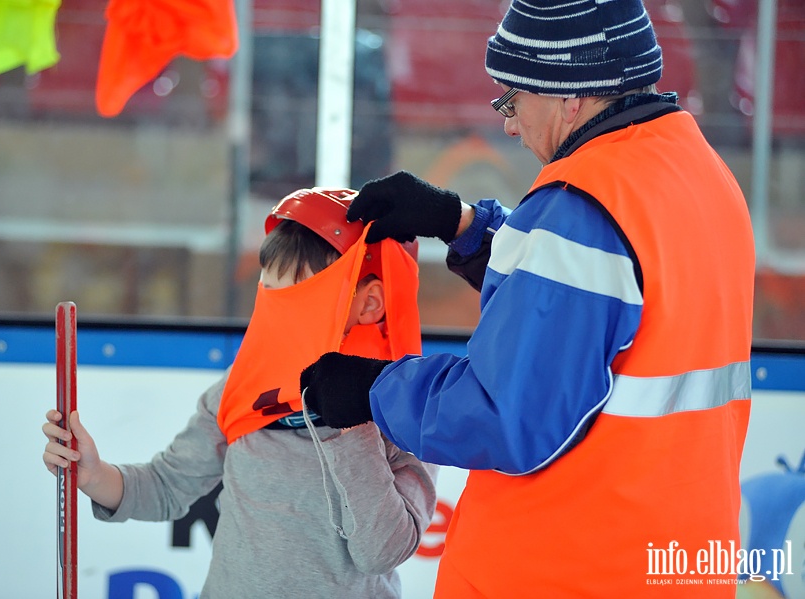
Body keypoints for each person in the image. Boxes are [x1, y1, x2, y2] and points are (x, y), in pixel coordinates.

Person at [299, 2, 756, 597]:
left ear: (573, 95)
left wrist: (374, 389)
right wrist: (460, 223)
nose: (509, 123)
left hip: (566, 567)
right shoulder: (698, 175)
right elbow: (596, 309)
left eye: (513, 98)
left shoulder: (586, 206)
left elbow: (509, 415)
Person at [42, 187, 438, 599]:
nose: (275, 319)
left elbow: (383, 552)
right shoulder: (243, 386)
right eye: (269, 296)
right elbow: (166, 486)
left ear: (370, 304)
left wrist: (350, 425)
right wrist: (94, 475)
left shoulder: (407, 410)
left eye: (298, 299)